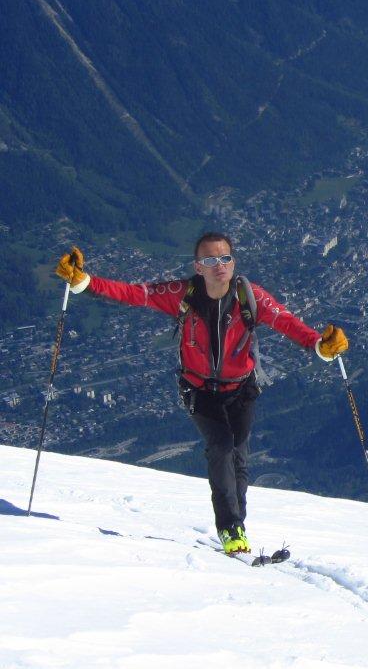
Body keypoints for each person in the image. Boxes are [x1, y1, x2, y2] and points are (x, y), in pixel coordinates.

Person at [54, 232, 349, 554]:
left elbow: (286, 322)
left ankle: (237, 523)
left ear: (233, 262)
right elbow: (135, 294)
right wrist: (85, 282)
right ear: (198, 266)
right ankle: (231, 527)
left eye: (225, 258)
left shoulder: (251, 297)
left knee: (238, 455)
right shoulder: (183, 294)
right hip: (199, 390)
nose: (219, 265)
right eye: (210, 260)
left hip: (241, 390)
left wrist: (319, 346)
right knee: (221, 447)